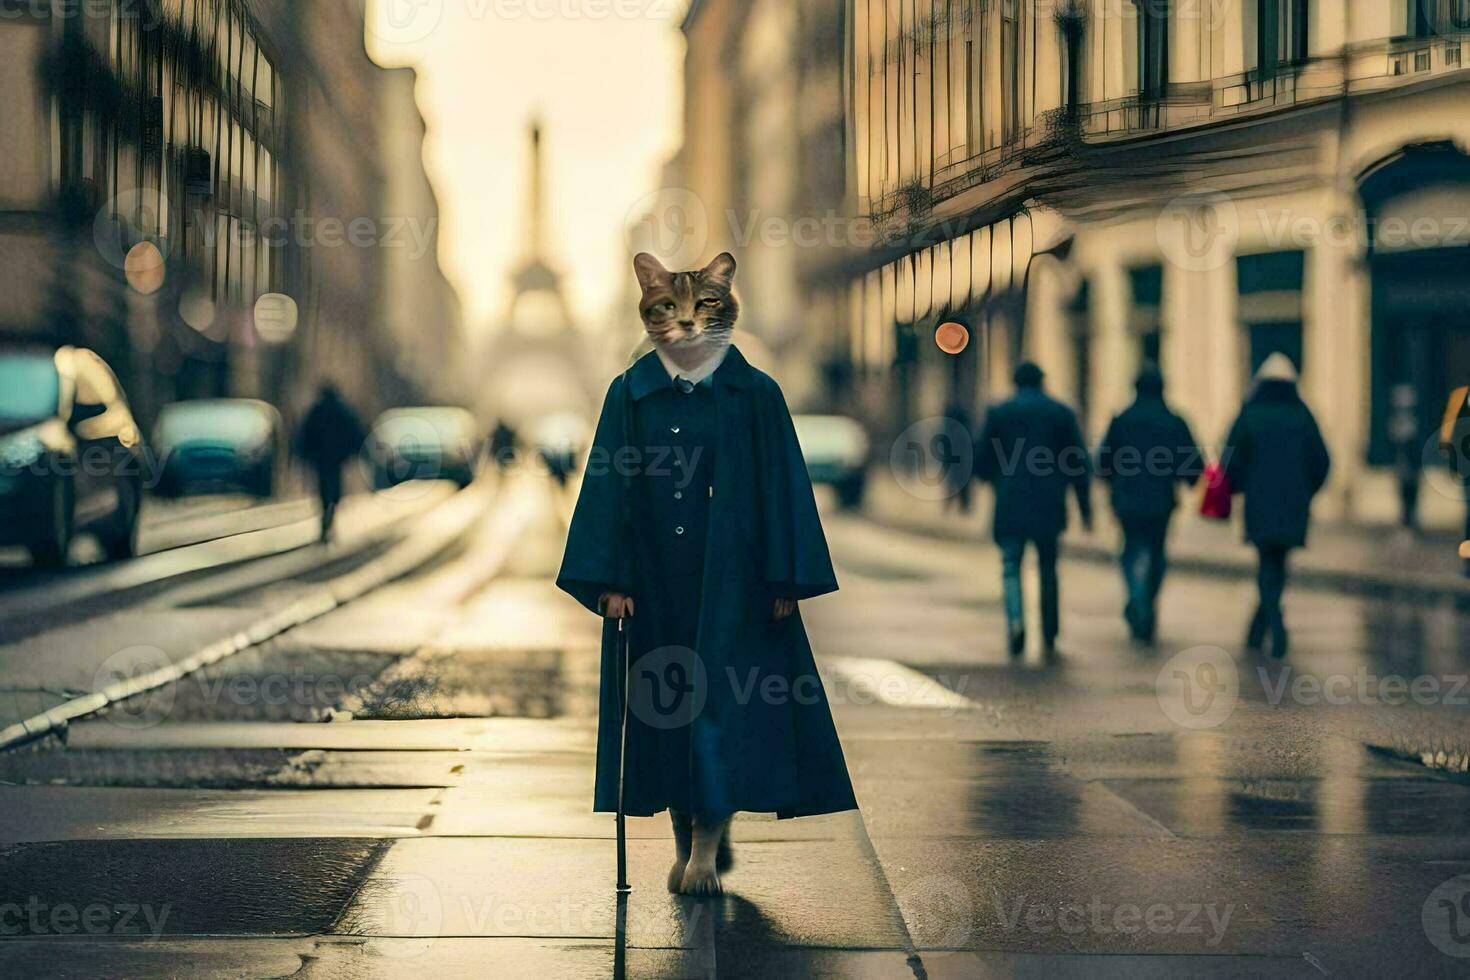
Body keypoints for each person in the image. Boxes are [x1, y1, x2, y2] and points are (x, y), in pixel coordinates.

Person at [558, 252, 856, 897]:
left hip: (737, 589)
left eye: (703, 310)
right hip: (654, 589)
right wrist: (608, 580)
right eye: (670, 310)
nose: (687, 323)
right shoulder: (628, 394)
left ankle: (706, 849)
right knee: (667, 715)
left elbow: (785, 488)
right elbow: (606, 486)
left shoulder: (758, 395)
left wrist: (785, 580)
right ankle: (684, 837)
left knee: (724, 714)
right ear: (650, 310)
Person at [975, 361, 1092, 657]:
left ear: (1015, 381)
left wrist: (996, 480)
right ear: (1042, 381)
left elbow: (981, 461)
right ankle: (1050, 630)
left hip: (1011, 501)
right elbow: (1078, 463)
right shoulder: (1061, 413)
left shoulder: (999, 413)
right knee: (1048, 567)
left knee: (1011, 567)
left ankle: (1016, 622)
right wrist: (1085, 508)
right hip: (1048, 503)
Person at [1222, 353, 1331, 658]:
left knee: (1267, 562)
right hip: (1293, 505)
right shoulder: (1303, 415)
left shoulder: (1250, 413)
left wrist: (1238, 489)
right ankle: (1260, 628)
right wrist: (1307, 491)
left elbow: (1230, 460)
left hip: (1259, 503)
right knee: (1278, 563)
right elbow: (1322, 461)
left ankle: (1273, 624)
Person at [1096, 365, 1204, 645]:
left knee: (1130, 550)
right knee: (1156, 553)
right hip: (1161, 501)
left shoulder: (1122, 420)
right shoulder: (1174, 421)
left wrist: (1111, 482)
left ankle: (1135, 595)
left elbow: (1103, 462)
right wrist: (1187, 480)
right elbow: (1193, 464)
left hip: (1127, 499)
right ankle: (1147, 603)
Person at [297, 384, 366, 543]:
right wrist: (353, 452)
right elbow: (355, 432)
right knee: (335, 488)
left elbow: (305, 434)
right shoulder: (342, 411)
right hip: (336, 458)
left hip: (321, 459)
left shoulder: (317, 410)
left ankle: (326, 514)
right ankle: (330, 513)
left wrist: (305, 455)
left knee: (323, 489)